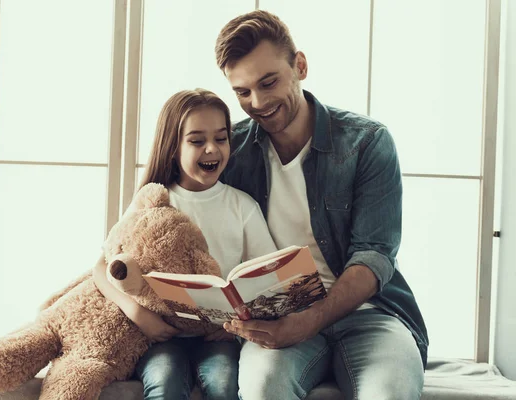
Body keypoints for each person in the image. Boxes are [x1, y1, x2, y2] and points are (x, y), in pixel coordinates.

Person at [215, 10, 429, 400]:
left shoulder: (367, 142)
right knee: (263, 389)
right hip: (278, 319)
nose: (258, 103)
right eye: (242, 92)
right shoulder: (233, 151)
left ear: (300, 66)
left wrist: (309, 322)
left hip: (370, 313)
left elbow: (374, 256)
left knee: (390, 393)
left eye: (268, 82)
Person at [95, 88, 277, 400]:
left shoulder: (242, 206)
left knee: (224, 383)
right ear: (172, 148)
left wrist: (242, 319)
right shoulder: (152, 202)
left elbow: (269, 276)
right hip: (161, 334)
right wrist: (137, 313)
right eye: (196, 141)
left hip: (219, 335)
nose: (212, 149)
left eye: (221, 139)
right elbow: (103, 268)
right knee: (164, 382)